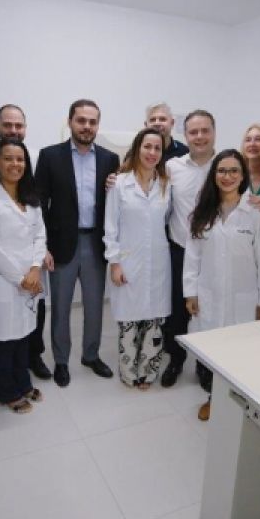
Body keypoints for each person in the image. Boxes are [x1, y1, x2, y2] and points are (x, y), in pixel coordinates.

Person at [34, 99, 120, 387]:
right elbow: (39, 204)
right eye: (81, 120)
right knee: (60, 307)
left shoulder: (109, 159)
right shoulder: (50, 156)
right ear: (70, 121)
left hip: (96, 243)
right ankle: (61, 360)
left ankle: (91, 355)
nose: (86, 126)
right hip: (61, 244)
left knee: (95, 306)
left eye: (92, 121)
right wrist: (43, 245)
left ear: (98, 125)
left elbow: (114, 203)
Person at [183, 149, 260, 421]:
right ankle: (213, 398)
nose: (227, 176)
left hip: (243, 297)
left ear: (243, 176)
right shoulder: (201, 214)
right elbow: (192, 257)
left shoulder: (255, 213)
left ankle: (238, 404)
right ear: (214, 175)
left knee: (240, 352)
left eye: (234, 171)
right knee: (211, 351)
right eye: (221, 170)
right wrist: (190, 292)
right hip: (208, 294)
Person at [0, 138, 46, 413]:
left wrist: (35, 268)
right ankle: (7, 392)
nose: (15, 164)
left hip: (31, 277)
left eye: (20, 159)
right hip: (4, 279)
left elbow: (40, 235)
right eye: (8, 158)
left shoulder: (31, 198)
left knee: (25, 333)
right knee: (6, 339)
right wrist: (21, 278)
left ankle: (24, 383)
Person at [103, 128, 171, 389]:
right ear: (137, 148)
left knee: (154, 318)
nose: (152, 152)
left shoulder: (165, 185)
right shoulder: (119, 184)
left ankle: (148, 371)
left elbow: (167, 220)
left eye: (157, 148)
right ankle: (129, 371)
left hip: (158, 261)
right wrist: (115, 262)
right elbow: (110, 227)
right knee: (129, 318)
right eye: (147, 146)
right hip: (128, 261)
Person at [0, 104, 52, 381]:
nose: (13, 130)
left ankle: (31, 362)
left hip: (32, 265)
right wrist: (21, 276)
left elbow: (39, 226)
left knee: (32, 319)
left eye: (19, 126)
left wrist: (36, 264)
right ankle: (7, 383)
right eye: (8, 125)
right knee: (6, 332)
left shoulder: (32, 174)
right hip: (3, 271)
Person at [161, 110, 217, 389]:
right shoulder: (172, 167)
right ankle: (175, 359)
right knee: (176, 312)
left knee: (209, 311)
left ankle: (206, 366)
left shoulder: (225, 165)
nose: (199, 136)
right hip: (179, 251)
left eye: (205, 130)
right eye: (193, 132)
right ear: (185, 135)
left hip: (214, 255)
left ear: (214, 132)